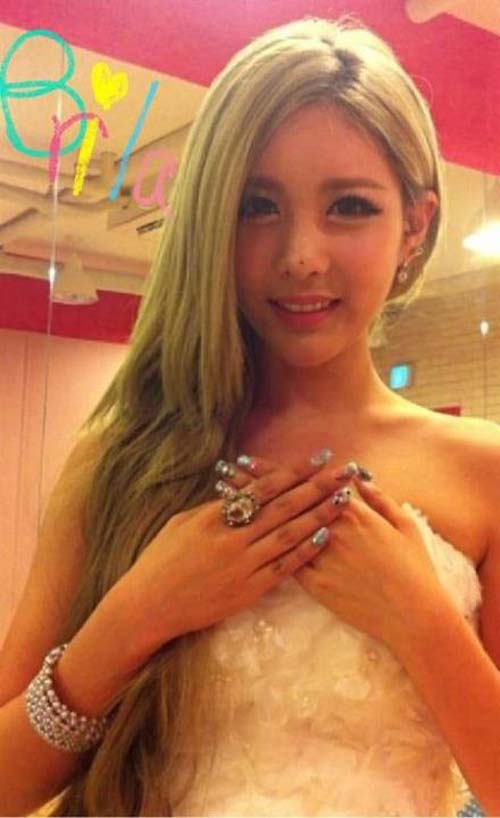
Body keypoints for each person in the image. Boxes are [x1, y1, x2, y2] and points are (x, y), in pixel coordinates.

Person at [0, 12, 499, 818]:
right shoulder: (125, 456)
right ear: (210, 220)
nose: (301, 255)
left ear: (415, 225)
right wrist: (132, 620)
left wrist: (420, 621)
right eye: (256, 206)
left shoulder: (483, 471)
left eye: (350, 206)